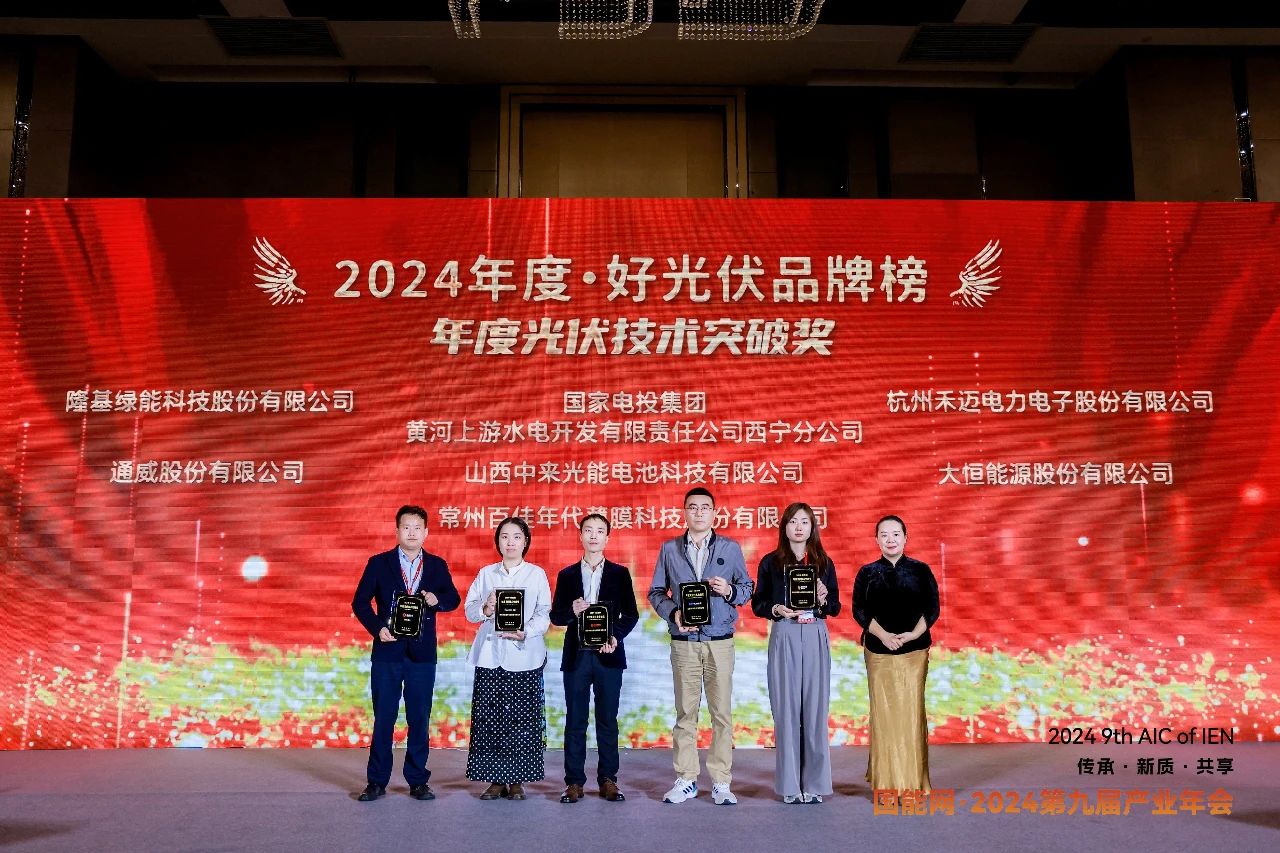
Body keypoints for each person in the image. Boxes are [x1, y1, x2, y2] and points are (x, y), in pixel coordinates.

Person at [647, 487, 753, 805]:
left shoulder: (730, 548)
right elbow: (656, 592)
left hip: (720, 641)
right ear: (684, 512)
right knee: (685, 713)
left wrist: (729, 590)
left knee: (721, 714)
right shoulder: (670, 549)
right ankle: (686, 779)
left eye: (705, 507)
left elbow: (747, 588)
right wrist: (674, 613)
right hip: (685, 642)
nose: (699, 512)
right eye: (692, 507)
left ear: (714, 513)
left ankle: (721, 782)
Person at [350, 505, 461, 802]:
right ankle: (376, 782)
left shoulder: (436, 565)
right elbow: (360, 602)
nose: (412, 533)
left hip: (422, 655)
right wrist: (377, 628)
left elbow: (453, 598)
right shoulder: (378, 563)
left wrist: (437, 600)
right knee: (384, 718)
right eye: (406, 527)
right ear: (397, 531)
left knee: (419, 718)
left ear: (426, 532)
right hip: (387, 651)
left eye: (417, 528)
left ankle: (417, 780)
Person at [750, 502, 840, 803]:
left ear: (812, 527)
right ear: (784, 527)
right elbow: (758, 603)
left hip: (814, 632)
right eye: (792, 521)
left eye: (804, 521)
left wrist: (824, 598)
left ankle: (815, 784)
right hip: (785, 633)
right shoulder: (770, 562)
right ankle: (790, 786)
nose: (799, 527)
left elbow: (835, 607)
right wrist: (776, 608)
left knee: (815, 709)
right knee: (786, 710)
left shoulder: (824, 562)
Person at [549, 513, 640, 803]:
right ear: (580, 535)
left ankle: (608, 779)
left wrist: (615, 637)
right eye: (588, 530)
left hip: (608, 656)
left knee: (607, 719)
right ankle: (574, 782)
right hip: (576, 657)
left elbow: (631, 614)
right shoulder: (567, 575)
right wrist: (572, 611)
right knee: (575, 720)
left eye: (599, 531)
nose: (593, 536)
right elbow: (556, 617)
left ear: (607, 538)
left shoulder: (619, 573)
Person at [463, 516, 552, 801]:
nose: (510, 542)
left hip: (525, 656)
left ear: (525, 542)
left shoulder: (536, 574)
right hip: (490, 657)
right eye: (504, 536)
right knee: (490, 719)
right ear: (498, 542)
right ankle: (496, 780)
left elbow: (544, 613)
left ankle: (517, 781)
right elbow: (469, 611)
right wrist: (486, 609)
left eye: (516, 537)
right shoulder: (486, 573)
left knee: (522, 720)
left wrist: (527, 632)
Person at [852, 514, 940, 793]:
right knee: (884, 715)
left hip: (915, 651)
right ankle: (886, 783)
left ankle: (913, 782)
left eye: (896, 534)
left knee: (912, 714)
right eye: (884, 535)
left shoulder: (921, 570)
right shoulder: (867, 572)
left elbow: (932, 608)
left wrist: (913, 635)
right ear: (876, 540)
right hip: (878, 651)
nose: (890, 540)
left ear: (905, 538)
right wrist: (884, 636)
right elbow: (859, 610)